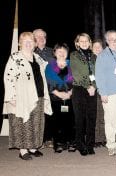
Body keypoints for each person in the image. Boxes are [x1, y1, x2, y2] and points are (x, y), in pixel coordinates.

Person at [3, 32, 52, 160]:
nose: (28, 43)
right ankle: (23, 150)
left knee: (36, 122)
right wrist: (11, 97)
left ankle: (33, 147)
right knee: (23, 122)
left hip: (39, 94)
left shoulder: (37, 57)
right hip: (21, 96)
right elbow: (8, 78)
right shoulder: (15, 57)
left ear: (35, 44)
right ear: (20, 43)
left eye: (31, 41)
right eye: (25, 41)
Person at [70, 33, 97, 156]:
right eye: (82, 41)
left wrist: (94, 86)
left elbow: (98, 74)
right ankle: (80, 145)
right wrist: (88, 86)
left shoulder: (94, 56)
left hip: (93, 89)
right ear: (77, 43)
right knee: (80, 119)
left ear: (90, 42)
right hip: (80, 89)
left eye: (87, 41)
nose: (84, 43)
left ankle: (90, 145)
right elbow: (76, 74)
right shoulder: (74, 55)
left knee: (91, 118)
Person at [45, 43, 75, 153]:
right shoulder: (50, 66)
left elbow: (76, 81)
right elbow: (47, 82)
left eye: (64, 51)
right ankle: (58, 143)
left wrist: (70, 93)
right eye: (59, 51)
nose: (62, 53)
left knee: (70, 121)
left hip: (70, 97)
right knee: (56, 121)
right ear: (55, 53)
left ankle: (70, 141)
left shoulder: (72, 64)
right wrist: (59, 94)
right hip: (55, 97)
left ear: (67, 53)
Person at [33, 28, 55, 148]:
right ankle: (37, 140)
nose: (41, 39)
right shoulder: (29, 52)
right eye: (38, 37)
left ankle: (49, 138)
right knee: (37, 115)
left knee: (50, 115)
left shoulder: (53, 52)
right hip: (36, 89)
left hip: (51, 88)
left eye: (44, 37)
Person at [91, 39, 107, 148]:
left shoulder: (106, 59)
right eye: (95, 46)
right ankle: (96, 138)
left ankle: (103, 138)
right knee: (95, 115)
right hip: (93, 91)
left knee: (103, 115)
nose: (97, 48)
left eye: (99, 46)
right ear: (91, 48)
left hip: (105, 91)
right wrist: (94, 84)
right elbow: (89, 75)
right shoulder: (89, 59)